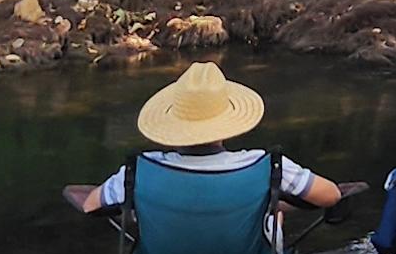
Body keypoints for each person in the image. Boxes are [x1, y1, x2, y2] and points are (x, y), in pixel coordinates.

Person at [67, 59, 352, 231]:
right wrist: (272, 201)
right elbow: (330, 196)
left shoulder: (139, 171)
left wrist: (139, 208)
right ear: (227, 120)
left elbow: (91, 206)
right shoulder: (264, 166)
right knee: (271, 214)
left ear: (172, 121)